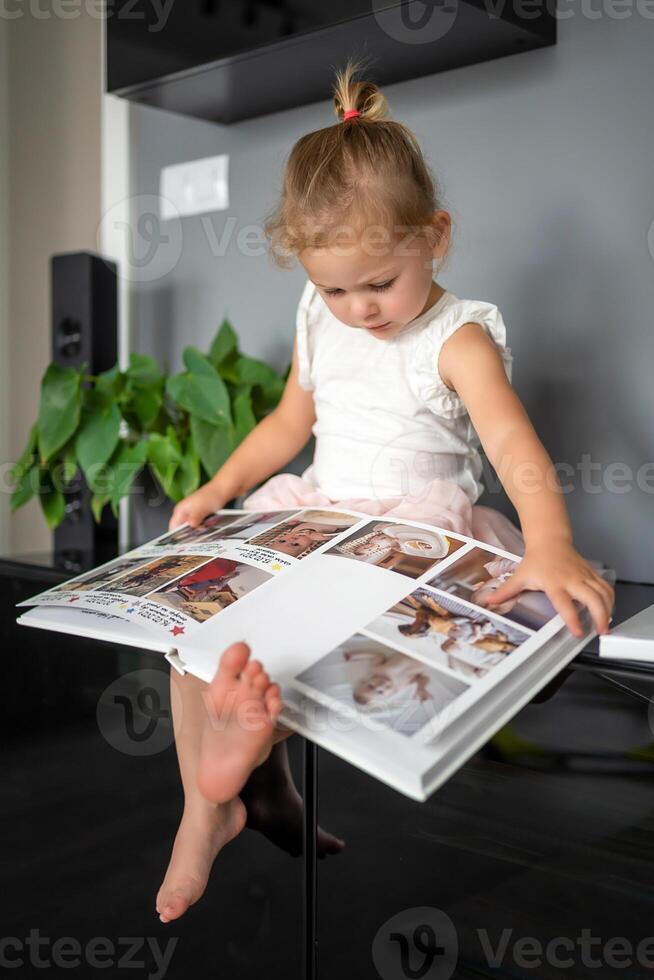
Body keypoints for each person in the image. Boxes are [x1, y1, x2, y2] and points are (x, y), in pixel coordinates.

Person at [154, 58, 615, 923]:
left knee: (343, 648)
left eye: (378, 284)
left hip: (414, 521)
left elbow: (513, 442)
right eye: (333, 289)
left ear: (434, 237)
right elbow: (292, 423)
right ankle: (210, 804)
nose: (359, 310)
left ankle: (246, 766)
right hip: (320, 503)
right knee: (199, 621)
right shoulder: (316, 316)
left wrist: (548, 539)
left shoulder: (457, 336)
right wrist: (219, 485)